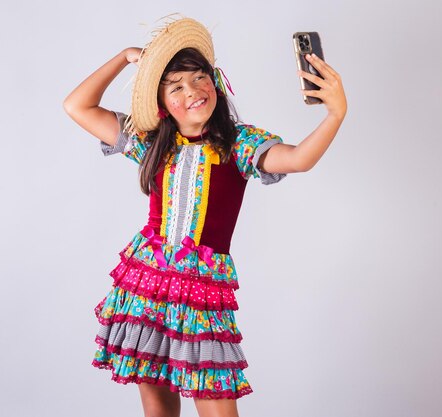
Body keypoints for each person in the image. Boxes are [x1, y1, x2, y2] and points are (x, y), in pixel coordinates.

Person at [63, 16, 346, 417]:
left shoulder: (239, 143)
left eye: (199, 78)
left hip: (201, 294)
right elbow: (77, 105)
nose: (193, 91)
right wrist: (126, 58)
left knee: (216, 405)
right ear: (161, 104)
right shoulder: (151, 142)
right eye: (176, 87)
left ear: (215, 81)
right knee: (158, 410)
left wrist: (334, 114)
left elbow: (298, 159)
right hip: (147, 285)